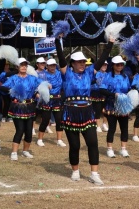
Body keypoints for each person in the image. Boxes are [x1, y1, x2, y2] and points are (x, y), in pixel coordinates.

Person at [54, 37, 112, 185]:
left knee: (93, 142)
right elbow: (61, 58)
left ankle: (94, 174)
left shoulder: (89, 73)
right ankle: (75, 171)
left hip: (87, 111)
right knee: (75, 145)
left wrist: (110, 43)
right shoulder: (67, 73)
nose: (82, 64)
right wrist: (57, 41)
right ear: (72, 63)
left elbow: (102, 59)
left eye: (83, 62)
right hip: (70, 112)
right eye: (79, 62)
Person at [0, 57, 43, 161]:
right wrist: (12, 90)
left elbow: (42, 84)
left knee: (29, 131)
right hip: (17, 106)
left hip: (29, 106)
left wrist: (40, 91)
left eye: (25, 65)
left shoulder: (32, 78)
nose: (23, 67)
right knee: (20, 129)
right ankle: (14, 152)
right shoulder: (13, 78)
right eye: (21, 65)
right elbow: (2, 87)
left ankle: (25, 151)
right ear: (17, 67)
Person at [101, 55, 132, 158]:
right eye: (117, 64)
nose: (120, 66)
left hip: (123, 105)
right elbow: (102, 89)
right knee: (112, 128)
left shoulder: (125, 76)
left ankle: (123, 149)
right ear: (113, 65)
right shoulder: (107, 76)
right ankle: (109, 149)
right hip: (111, 105)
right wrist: (113, 94)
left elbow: (128, 89)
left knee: (124, 128)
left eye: (121, 64)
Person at [42, 58, 66, 147]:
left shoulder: (60, 74)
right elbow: (39, 84)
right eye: (51, 65)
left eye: (54, 65)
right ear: (47, 66)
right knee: (45, 120)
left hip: (58, 99)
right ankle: (40, 139)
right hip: (47, 99)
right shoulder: (44, 74)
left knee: (59, 120)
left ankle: (59, 140)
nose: (53, 67)